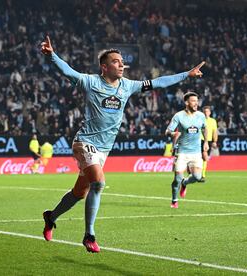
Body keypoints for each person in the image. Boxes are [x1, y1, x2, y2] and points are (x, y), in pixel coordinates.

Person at [40, 36, 205, 253]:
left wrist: (187, 74)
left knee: (80, 192)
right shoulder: (90, 82)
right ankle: (89, 235)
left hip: (103, 149)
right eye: (116, 61)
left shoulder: (127, 86)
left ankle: (51, 217)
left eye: (122, 61)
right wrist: (52, 56)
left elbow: (159, 82)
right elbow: (68, 71)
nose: (122, 64)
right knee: (98, 183)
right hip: (84, 142)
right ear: (104, 67)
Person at [166, 92, 208, 209]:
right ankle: (174, 200)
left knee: (197, 177)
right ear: (186, 102)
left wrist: (205, 142)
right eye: (193, 101)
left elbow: (205, 128)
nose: (196, 103)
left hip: (196, 152)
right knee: (177, 178)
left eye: (197, 101)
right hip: (182, 152)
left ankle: (185, 183)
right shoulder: (178, 116)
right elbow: (168, 130)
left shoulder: (201, 116)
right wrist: (173, 133)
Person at [199, 106, 218, 182]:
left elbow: (215, 132)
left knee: (204, 159)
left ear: (210, 113)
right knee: (204, 156)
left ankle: (202, 175)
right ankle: (201, 175)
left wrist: (214, 141)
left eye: (207, 111)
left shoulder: (213, 121)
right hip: (200, 139)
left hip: (209, 141)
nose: (206, 113)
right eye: (204, 111)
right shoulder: (199, 120)